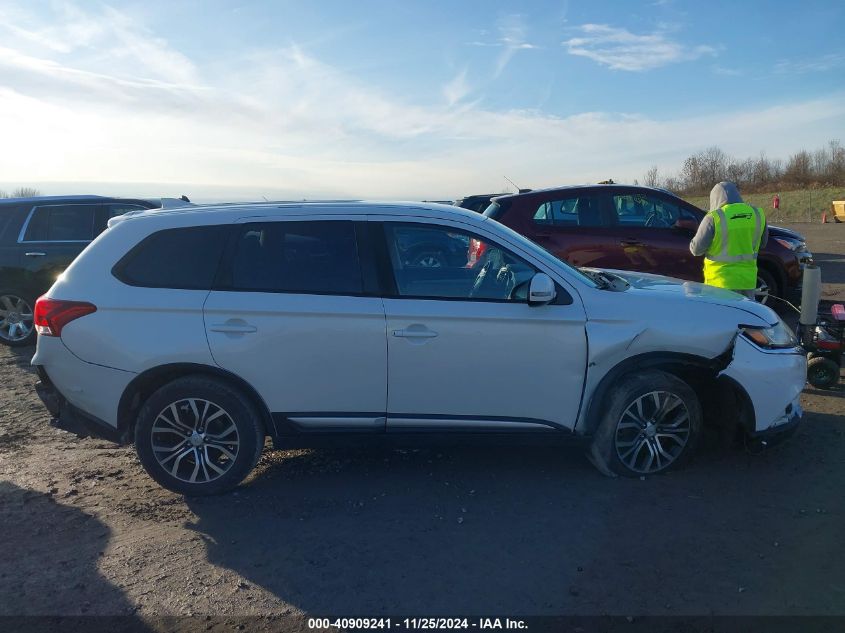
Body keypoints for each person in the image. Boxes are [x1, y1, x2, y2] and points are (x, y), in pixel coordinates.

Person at [689, 181, 768, 299]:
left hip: (720, 283)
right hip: (747, 282)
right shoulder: (757, 214)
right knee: (745, 316)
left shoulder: (713, 218)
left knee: (721, 317)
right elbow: (763, 244)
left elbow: (696, 250)